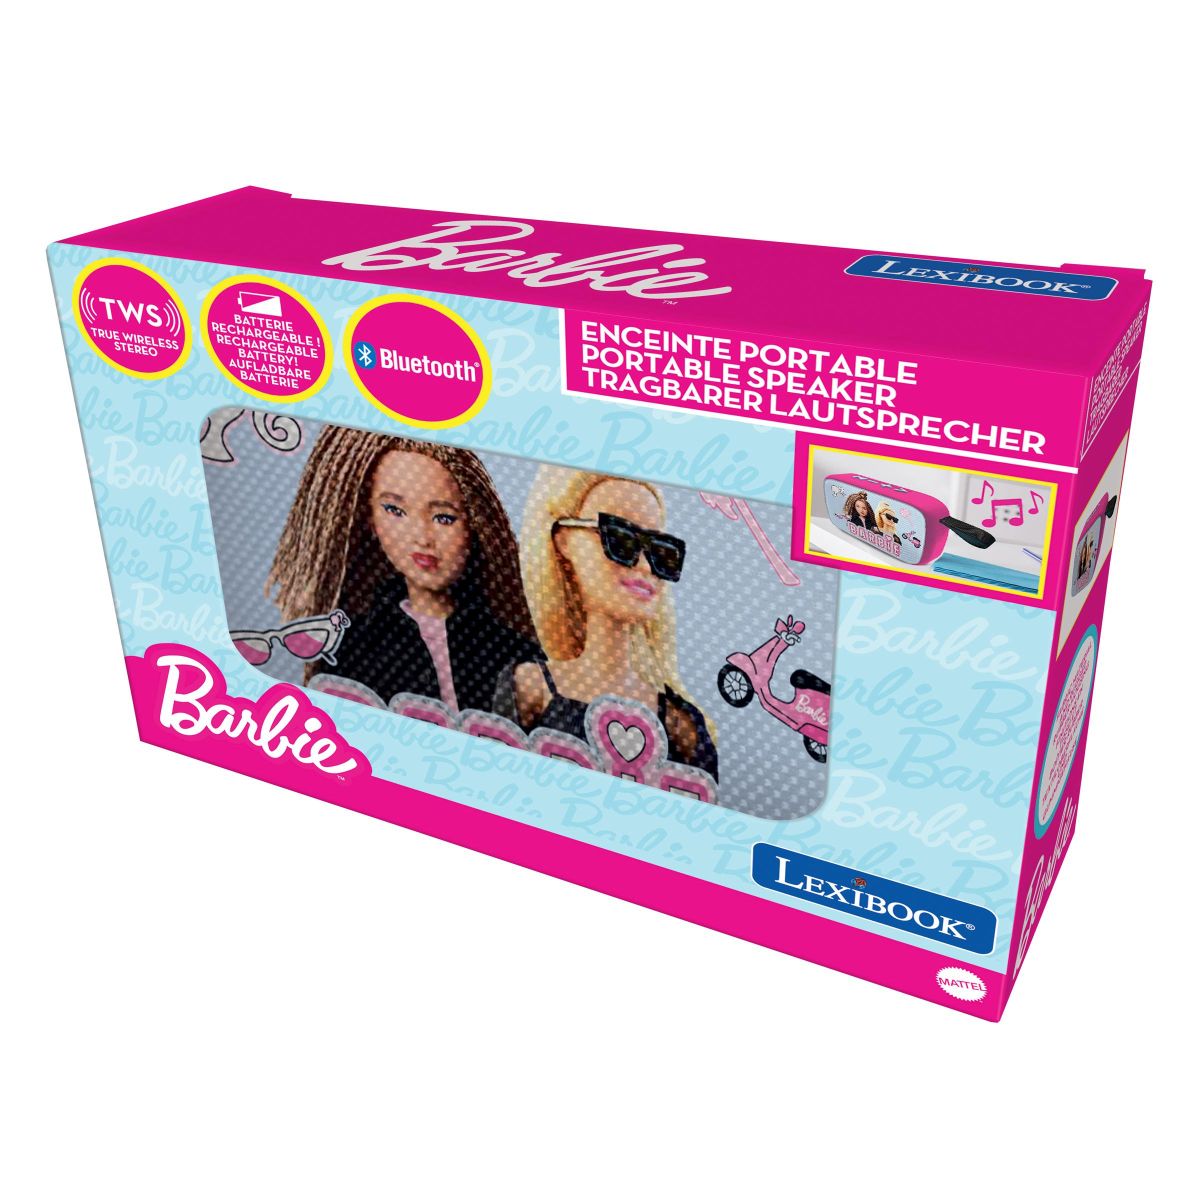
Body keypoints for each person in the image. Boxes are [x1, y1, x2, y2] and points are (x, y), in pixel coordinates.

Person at [267, 426, 541, 714]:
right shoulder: (355, 646)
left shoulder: (509, 650)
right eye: (395, 511)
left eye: (444, 518)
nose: (421, 537)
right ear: (369, 518)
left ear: (476, 524)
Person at [502, 466, 718, 780]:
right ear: (564, 542)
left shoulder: (680, 721)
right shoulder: (531, 686)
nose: (645, 566)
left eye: (662, 552)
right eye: (620, 539)